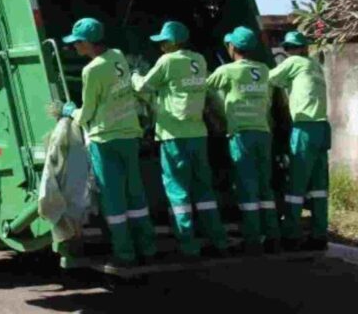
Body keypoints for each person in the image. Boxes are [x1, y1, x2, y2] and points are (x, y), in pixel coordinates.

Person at [59, 17, 156, 267]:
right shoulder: (117, 55)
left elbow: (88, 112)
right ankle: (147, 246)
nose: (75, 48)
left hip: (105, 139)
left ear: (88, 43)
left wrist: (70, 111)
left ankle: (124, 253)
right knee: (135, 193)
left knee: (113, 197)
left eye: (77, 43)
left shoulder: (91, 70)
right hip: (129, 135)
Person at [131, 20, 229, 258]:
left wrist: (133, 74)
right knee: (204, 188)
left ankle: (187, 243)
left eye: (164, 42)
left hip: (174, 135)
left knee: (178, 190)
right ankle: (218, 238)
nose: (161, 46)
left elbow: (144, 87)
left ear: (173, 42)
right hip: (198, 134)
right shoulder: (199, 60)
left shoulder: (167, 61)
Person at [206, 26, 280, 254]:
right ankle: (272, 235)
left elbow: (203, 89)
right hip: (263, 132)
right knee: (264, 186)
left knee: (247, 185)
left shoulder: (227, 71)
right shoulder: (265, 70)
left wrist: (215, 116)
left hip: (242, 134)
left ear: (233, 47)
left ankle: (252, 239)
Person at [269, 31, 330, 251]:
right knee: (319, 186)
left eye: (290, 48)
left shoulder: (293, 62)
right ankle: (319, 233)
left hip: (304, 127)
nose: (290, 51)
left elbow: (271, 78)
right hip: (323, 127)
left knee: (296, 183)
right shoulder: (315, 66)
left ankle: (292, 234)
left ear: (295, 49)